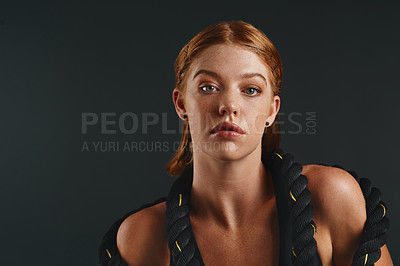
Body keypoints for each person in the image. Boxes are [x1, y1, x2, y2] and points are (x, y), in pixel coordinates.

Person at [98, 20, 392, 266]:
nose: (228, 105)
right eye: (208, 87)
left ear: (272, 110)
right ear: (181, 103)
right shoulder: (142, 236)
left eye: (250, 90)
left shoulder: (331, 199)